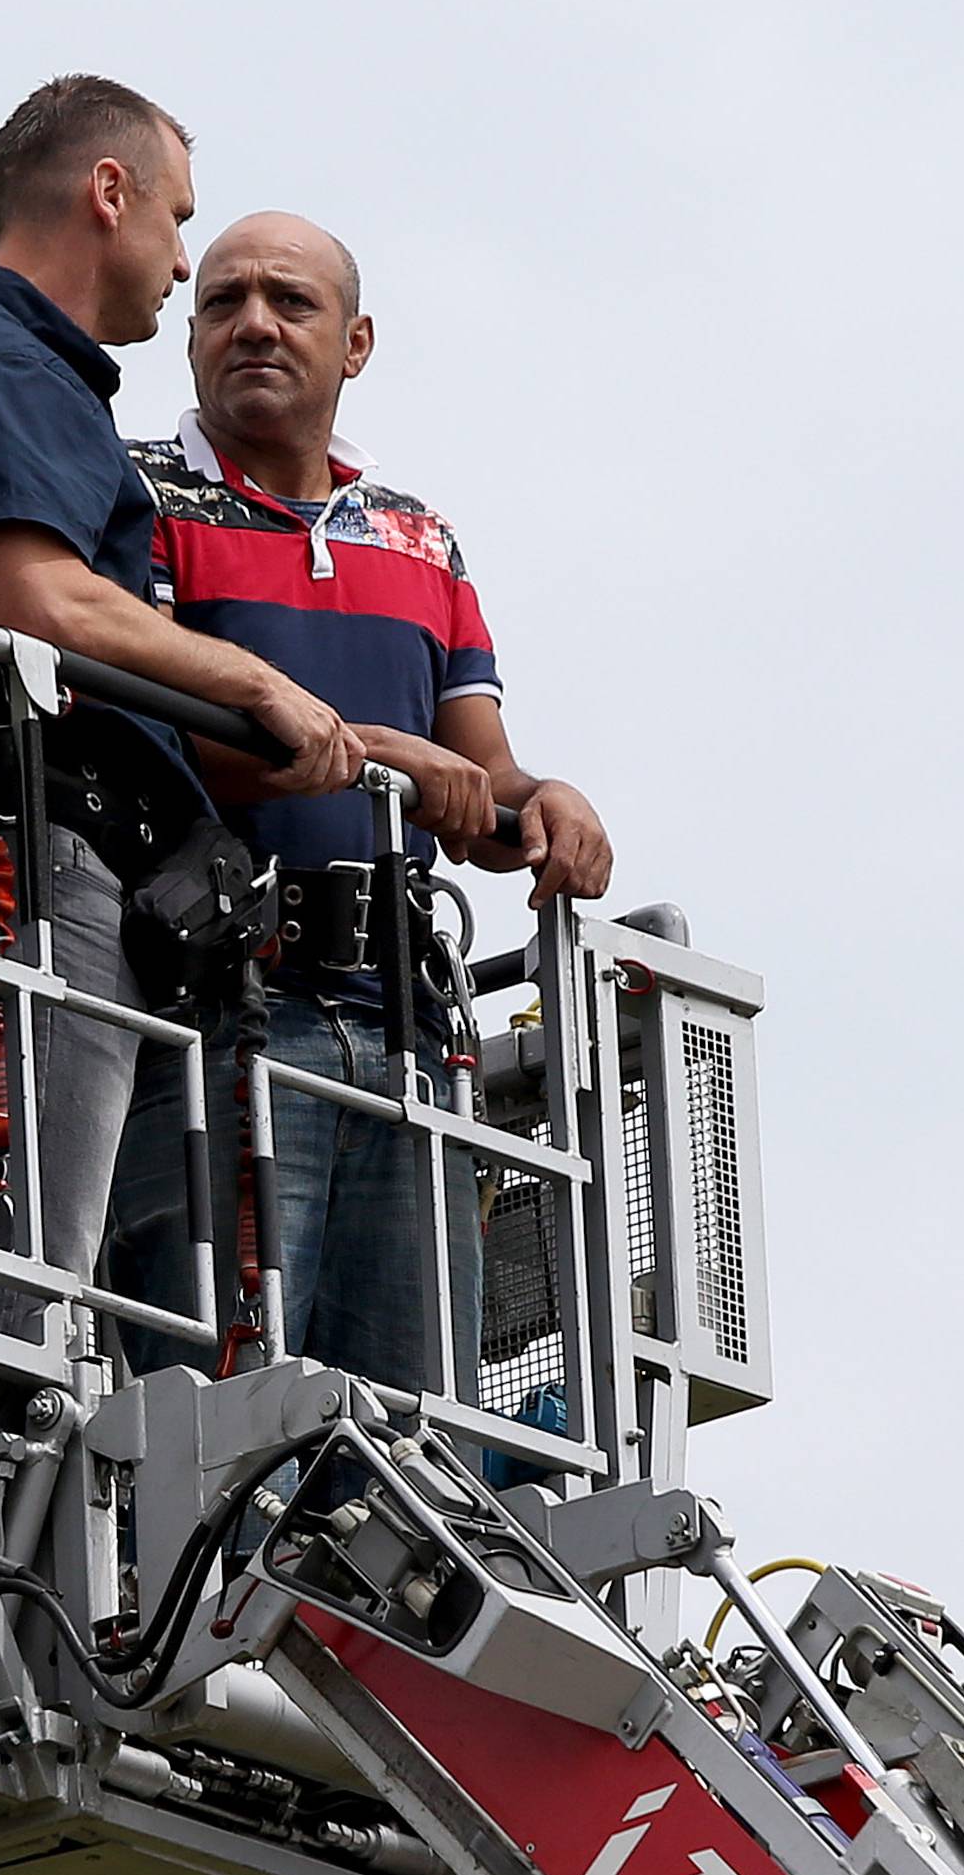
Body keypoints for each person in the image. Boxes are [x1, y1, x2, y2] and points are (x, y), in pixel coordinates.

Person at [0, 81, 361, 1348]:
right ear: (109, 193)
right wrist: (251, 681)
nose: (186, 262)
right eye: (180, 221)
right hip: (25, 873)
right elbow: (41, 598)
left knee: (21, 1284)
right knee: (18, 1301)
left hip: (10, 866)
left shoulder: (12, 373)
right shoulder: (1, 365)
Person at [111, 211, 613, 1400]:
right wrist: (380, 753)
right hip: (218, 1015)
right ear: (190, 340)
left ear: (357, 343)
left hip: (402, 1036)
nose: (253, 325)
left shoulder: (419, 539)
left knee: (411, 1456)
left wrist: (550, 803)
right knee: (225, 1432)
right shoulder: (141, 493)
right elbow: (146, 740)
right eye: (224, 302)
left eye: (289, 302)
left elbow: (477, 787)